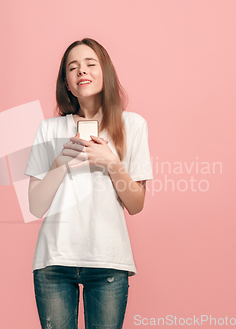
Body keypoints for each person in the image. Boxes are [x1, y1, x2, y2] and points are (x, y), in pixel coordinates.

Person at [24, 38, 153, 329]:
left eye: (90, 64)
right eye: (73, 67)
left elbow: (136, 204)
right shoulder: (49, 128)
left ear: (105, 72)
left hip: (108, 259)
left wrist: (111, 162)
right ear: (67, 83)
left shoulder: (133, 125)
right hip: (54, 262)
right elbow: (35, 206)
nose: (82, 71)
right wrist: (60, 164)